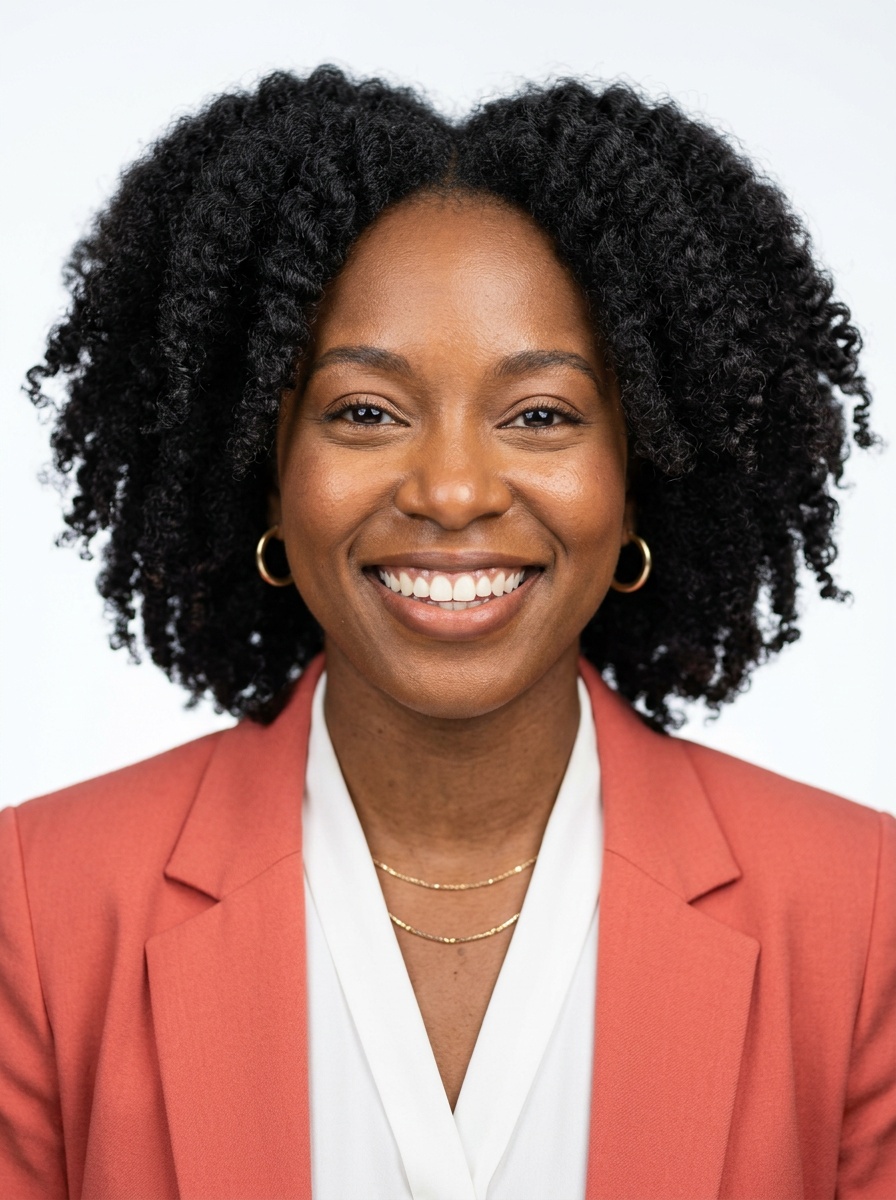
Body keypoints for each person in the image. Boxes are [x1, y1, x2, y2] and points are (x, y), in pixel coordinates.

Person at [1, 67, 893, 1200]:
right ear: (267, 474)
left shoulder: (857, 911)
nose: (456, 490)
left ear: (639, 476)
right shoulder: (41, 903)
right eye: (365, 412)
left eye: (539, 415)